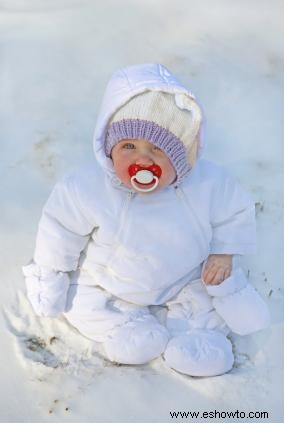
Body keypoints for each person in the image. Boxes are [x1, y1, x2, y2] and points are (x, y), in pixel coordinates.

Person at [23, 63, 270, 377]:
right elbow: (59, 228)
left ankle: (200, 339)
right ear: (110, 147)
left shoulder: (207, 184)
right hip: (109, 280)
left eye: (157, 149)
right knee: (81, 299)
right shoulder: (87, 188)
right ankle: (124, 326)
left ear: (181, 157)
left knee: (205, 293)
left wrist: (223, 252)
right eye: (129, 146)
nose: (142, 159)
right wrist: (52, 271)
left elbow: (234, 211)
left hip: (182, 277)